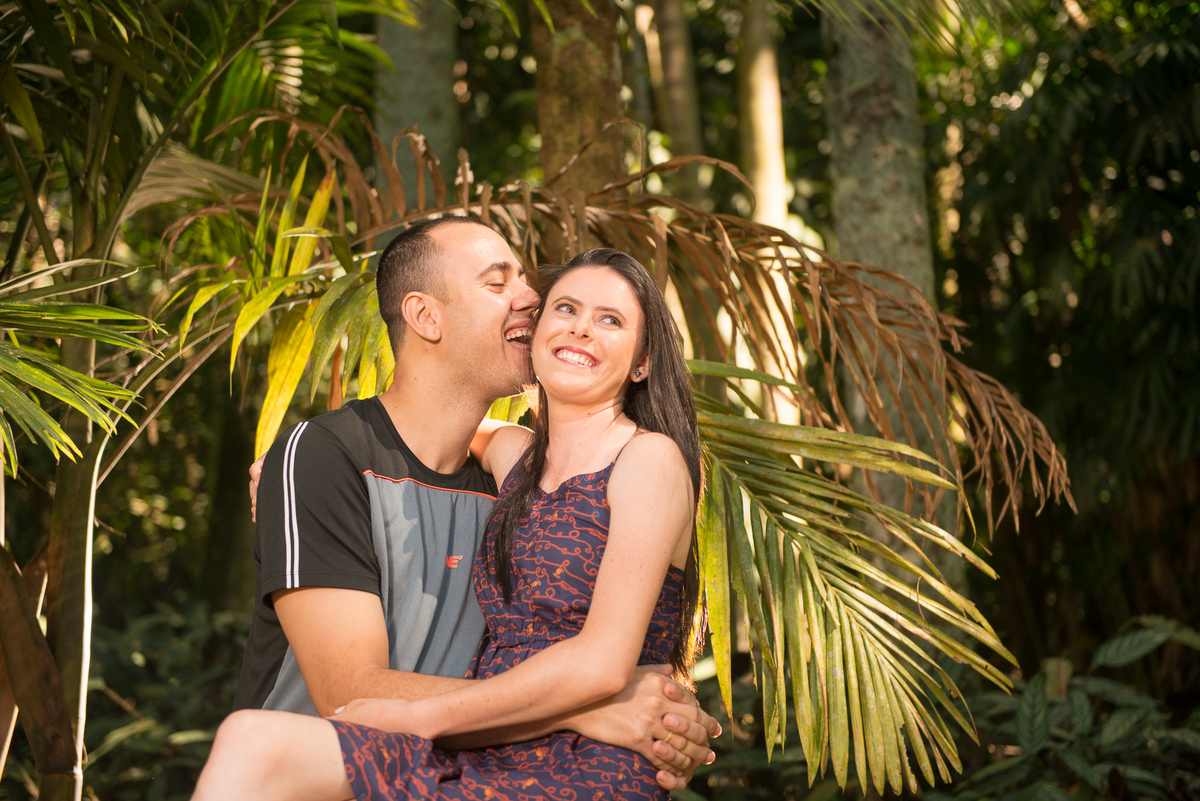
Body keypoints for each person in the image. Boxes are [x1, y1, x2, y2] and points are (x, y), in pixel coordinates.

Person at [193, 248, 706, 800]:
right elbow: (437, 417)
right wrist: (296, 464)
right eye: (565, 309)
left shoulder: (648, 460)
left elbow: (603, 665)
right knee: (248, 738)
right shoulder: (517, 459)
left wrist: (424, 719)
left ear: (642, 361)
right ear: (535, 337)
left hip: (577, 761)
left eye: (611, 320)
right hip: (486, 740)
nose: (581, 329)